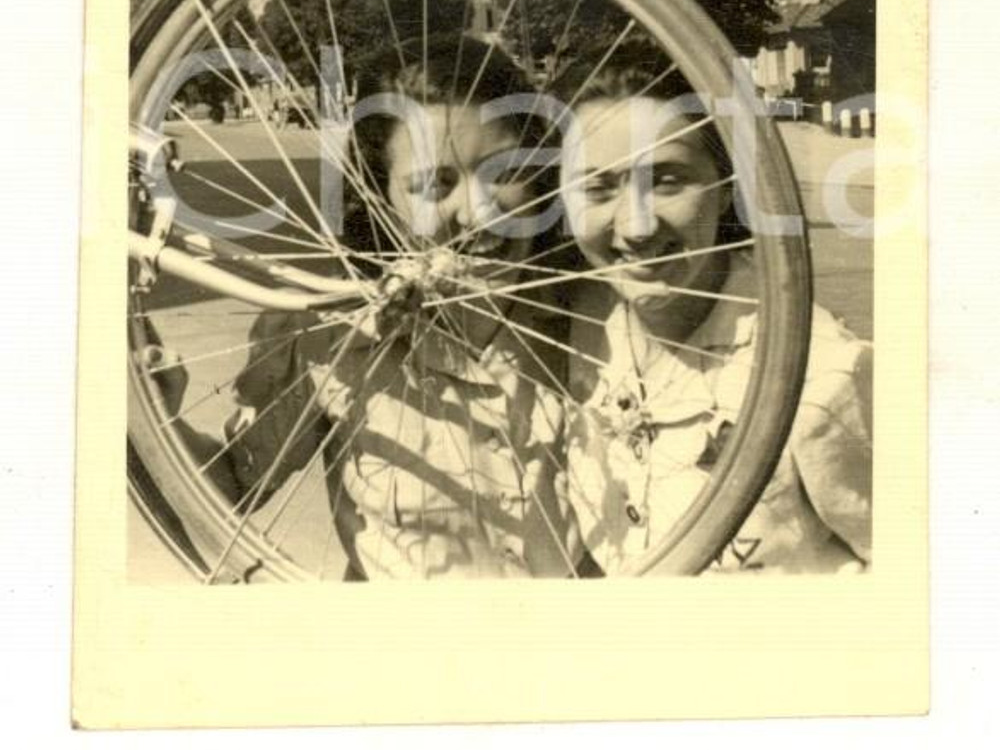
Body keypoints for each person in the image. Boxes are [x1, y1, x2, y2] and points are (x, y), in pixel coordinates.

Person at [145, 35, 580, 580]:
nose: (482, 211)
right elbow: (233, 486)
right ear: (382, 198)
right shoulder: (329, 335)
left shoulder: (589, 314)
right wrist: (158, 418)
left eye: (506, 172)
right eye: (434, 186)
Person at [554, 43, 872, 575]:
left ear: (728, 186)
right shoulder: (575, 327)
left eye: (668, 180)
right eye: (598, 188)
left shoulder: (821, 376)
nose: (636, 227)